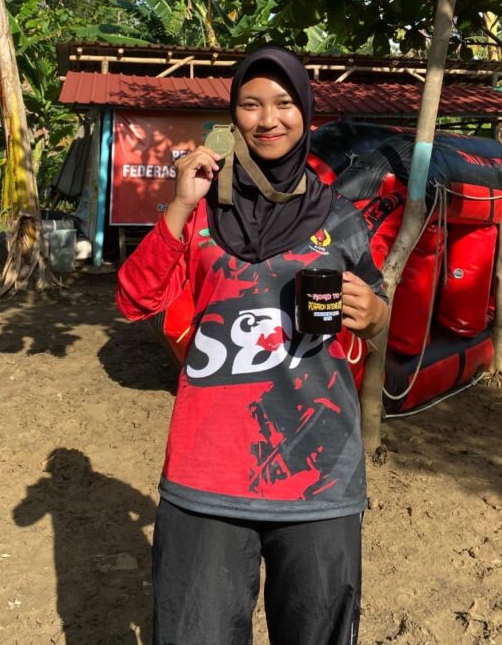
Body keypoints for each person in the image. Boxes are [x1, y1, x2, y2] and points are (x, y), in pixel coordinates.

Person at [117, 46, 389, 645]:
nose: (268, 119)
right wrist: (180, 204)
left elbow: (378, 313)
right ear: (232, 116)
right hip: (207, 477)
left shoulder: (340, 216)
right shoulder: (201, 209)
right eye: (250, 104)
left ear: (306, 111)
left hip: (319, 477)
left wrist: (373, 315)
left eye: (284, 103)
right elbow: (135, 298)